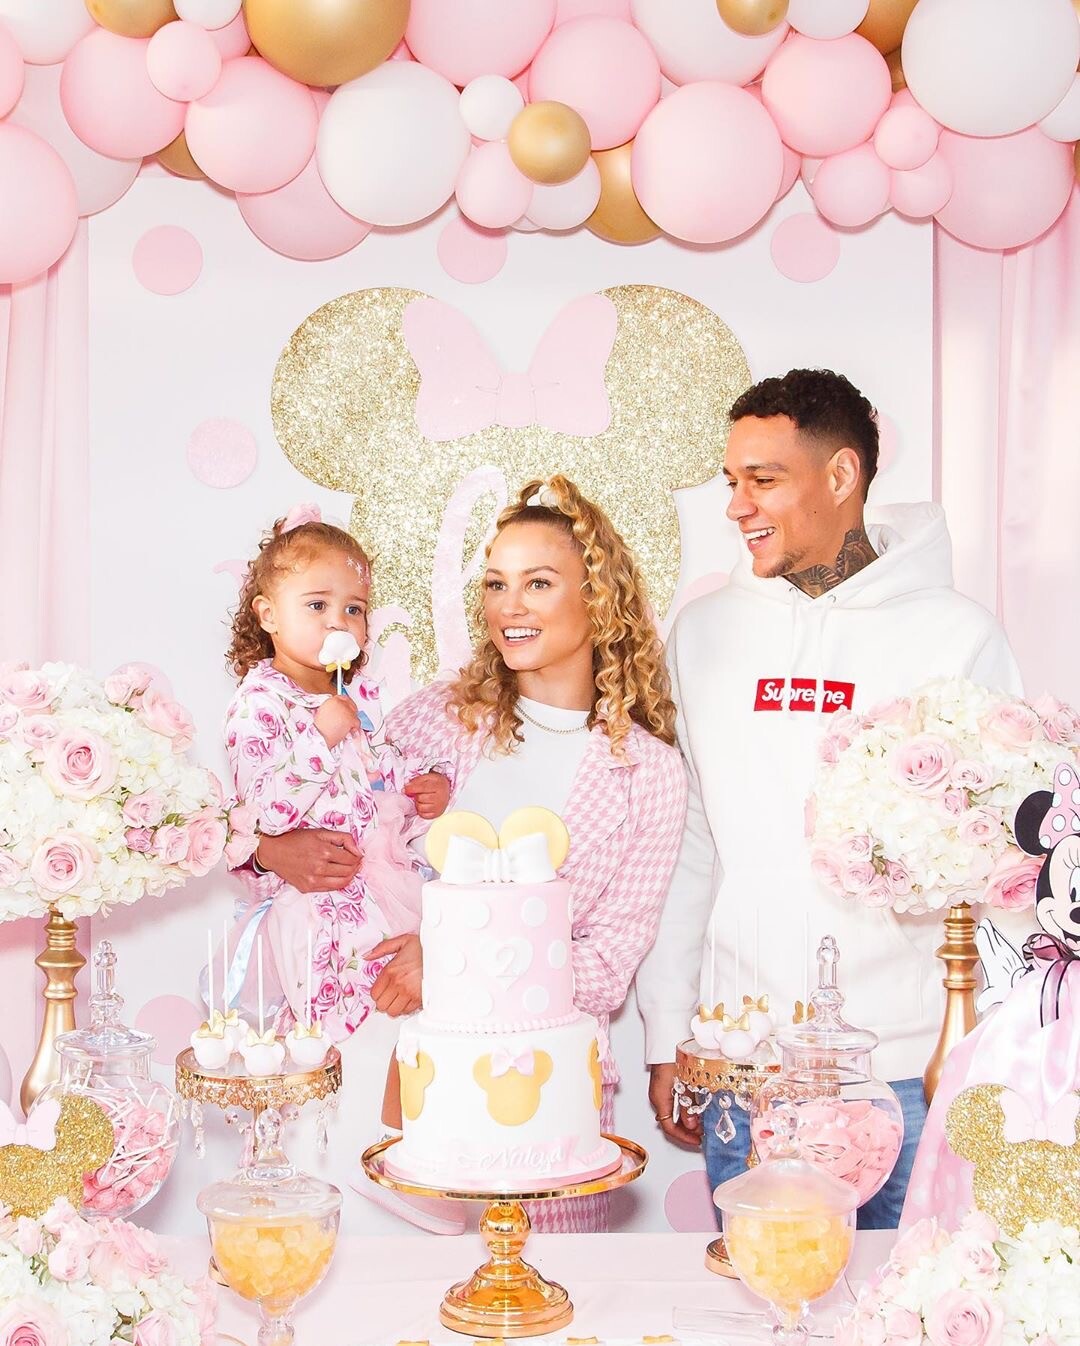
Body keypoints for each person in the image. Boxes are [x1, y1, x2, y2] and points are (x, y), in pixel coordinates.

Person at [635, 368, 1022, 1229]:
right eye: (732, 480)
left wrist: (997, 1050)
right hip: (746, 1062)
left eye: (763, 479)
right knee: (766, 1291)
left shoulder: (956, 636)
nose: (737, 505)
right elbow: (687, 842)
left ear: (841, 474)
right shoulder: (704, 633)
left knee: (910, 1295)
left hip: (912, 1067)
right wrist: (669, 1032)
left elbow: (1004, 867)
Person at [259, 475, 689, 1232]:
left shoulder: (646, 773)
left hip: (533, 1116)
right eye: (495, 584)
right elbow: (327, 816)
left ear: (598, 597)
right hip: (368, 1089)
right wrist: (269, 851)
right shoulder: (439, 716)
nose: (509, 606)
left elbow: (605, 965)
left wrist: (455, 961)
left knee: (537, 1292)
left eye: (538, 583)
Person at [224, 505, 449, 1139]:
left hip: (383, 883)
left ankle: (399, 1132)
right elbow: (263, 811)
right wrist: (320, 736)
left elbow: (379, 769)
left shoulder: (361, 693)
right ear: (268, 614)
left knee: (412, 1003)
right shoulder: (259, 703)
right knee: (346, 1028)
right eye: (317, 605)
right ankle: (344, 1126)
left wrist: (423, 783)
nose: (338, 621)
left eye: (354, 608)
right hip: (320, 900)